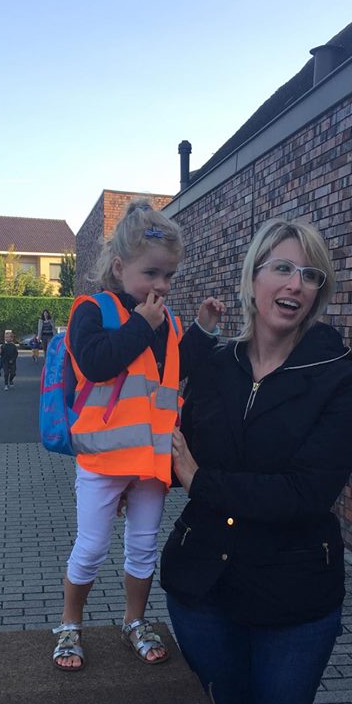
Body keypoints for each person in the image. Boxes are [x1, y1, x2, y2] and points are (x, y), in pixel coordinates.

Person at [161, 218, 352, 704]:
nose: (295, 284)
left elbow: (307, 492)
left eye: (310, 275)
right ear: (253, 278)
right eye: (282, 267)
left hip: (294, 596)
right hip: (205, 586)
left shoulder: (339, 379)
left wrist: (201, 481)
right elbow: (168, 442)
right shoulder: (213, 366)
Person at [52, 199, 225, 672]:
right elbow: (97, 363)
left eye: (169, 275)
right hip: (103, 459)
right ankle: (69, 624)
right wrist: (140, 325)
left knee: (143, 547)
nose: (162, 285)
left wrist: (202, 331)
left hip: (150, 460)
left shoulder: (165, 320)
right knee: (91, 547)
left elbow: (174, 371)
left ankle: (135, 620)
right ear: (118, 267)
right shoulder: (92, 310)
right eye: (151, 273)